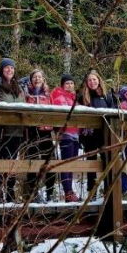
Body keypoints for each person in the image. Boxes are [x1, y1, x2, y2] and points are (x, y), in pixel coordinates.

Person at [0, 58, 25, 202]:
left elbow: (24, 104)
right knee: (0, 161)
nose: (9, 70)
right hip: (2, 129)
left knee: (12, 162)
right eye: (7, 68)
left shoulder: (18, 86)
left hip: (17, 130)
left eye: (12, 68)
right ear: (2, 69)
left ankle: (10, 194)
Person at [78, 69, 115, 197]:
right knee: (91, 163)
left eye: (94, 79)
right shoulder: (83, 96)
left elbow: (113, 112)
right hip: (89, 135)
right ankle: (91, 191)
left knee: (107, 161)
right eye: (89, 80)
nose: (92, 82)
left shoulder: (106, 96)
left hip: (104, 134)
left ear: (99, 81)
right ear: (86, 82)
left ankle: (108, 189)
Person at [24, 69, 56, 202]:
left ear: (43, 79)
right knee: (31, 162)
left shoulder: (48, 95)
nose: (37, 79)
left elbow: (55, 110)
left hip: (46, 131)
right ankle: (33, 192)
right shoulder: (26, 94)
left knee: (49, 161)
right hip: (31, 131)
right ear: (31, 80)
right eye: (34, 77)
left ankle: (49, 191)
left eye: (39, 77)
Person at [51, 73, 81, 202]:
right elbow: (62, 110)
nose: (69, 85)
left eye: (71, 83)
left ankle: (70, 191)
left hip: (75, 133)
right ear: (62, 85)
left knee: (72, 163)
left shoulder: (74, 97)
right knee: (66, 162)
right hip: (66, 133)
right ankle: (68, 192)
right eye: (67, 83)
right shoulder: (59, 96)